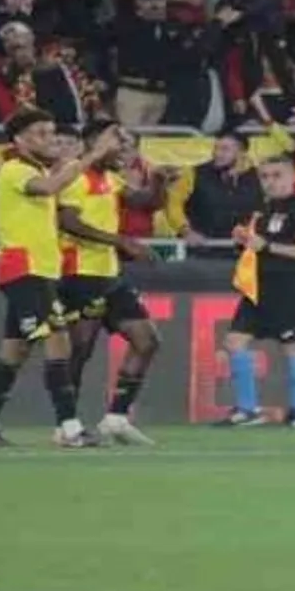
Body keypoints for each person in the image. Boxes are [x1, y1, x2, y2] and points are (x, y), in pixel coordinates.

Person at [0, 108, 120, 447]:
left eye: (51, 132)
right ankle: (70, 429)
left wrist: (88, 154)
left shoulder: (36, 167)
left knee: (15, 351)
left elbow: (60, 171)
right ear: (19, 140)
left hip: (40, 270)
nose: (49, 139)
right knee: (58, 341)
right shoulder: (14, 169)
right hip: (25, 269)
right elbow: (51, 187)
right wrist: (93, 153)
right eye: (41, 133)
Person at [56, 121, 174, 446]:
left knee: (147, 340)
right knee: (79, 350)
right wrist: (121, 241)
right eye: (116, 140)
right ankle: (66, 425)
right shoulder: (74, 175)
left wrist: (159, 181)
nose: (123, 146)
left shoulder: (111, 178)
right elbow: (67, 221)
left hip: (109, 273)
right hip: (78, 273)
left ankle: (116, 418)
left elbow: (146, 202)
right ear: (95, 142)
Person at [216, 155, 295, 427]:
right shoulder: (261, 211)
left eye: (277, 175)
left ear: (292, 176)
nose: (270, 182)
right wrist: (243, 241)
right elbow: (257, 246)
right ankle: (247, 409)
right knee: (234, 341)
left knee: (293, 346)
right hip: (257, 287)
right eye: (265, 176)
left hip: (288, 288)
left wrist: (267, 246)